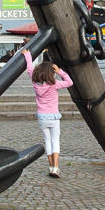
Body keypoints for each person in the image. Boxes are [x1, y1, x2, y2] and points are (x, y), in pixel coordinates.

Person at [26, 50, 73, 178]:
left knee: (47, 141)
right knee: (55, 140)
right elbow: (70, 82)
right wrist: (59, 71)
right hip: (53, 116)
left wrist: (27, 55)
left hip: (42, 117)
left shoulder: (35, 83)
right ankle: (55, 168)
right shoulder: (54, 84)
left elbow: (30, 69)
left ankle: (50, 166)